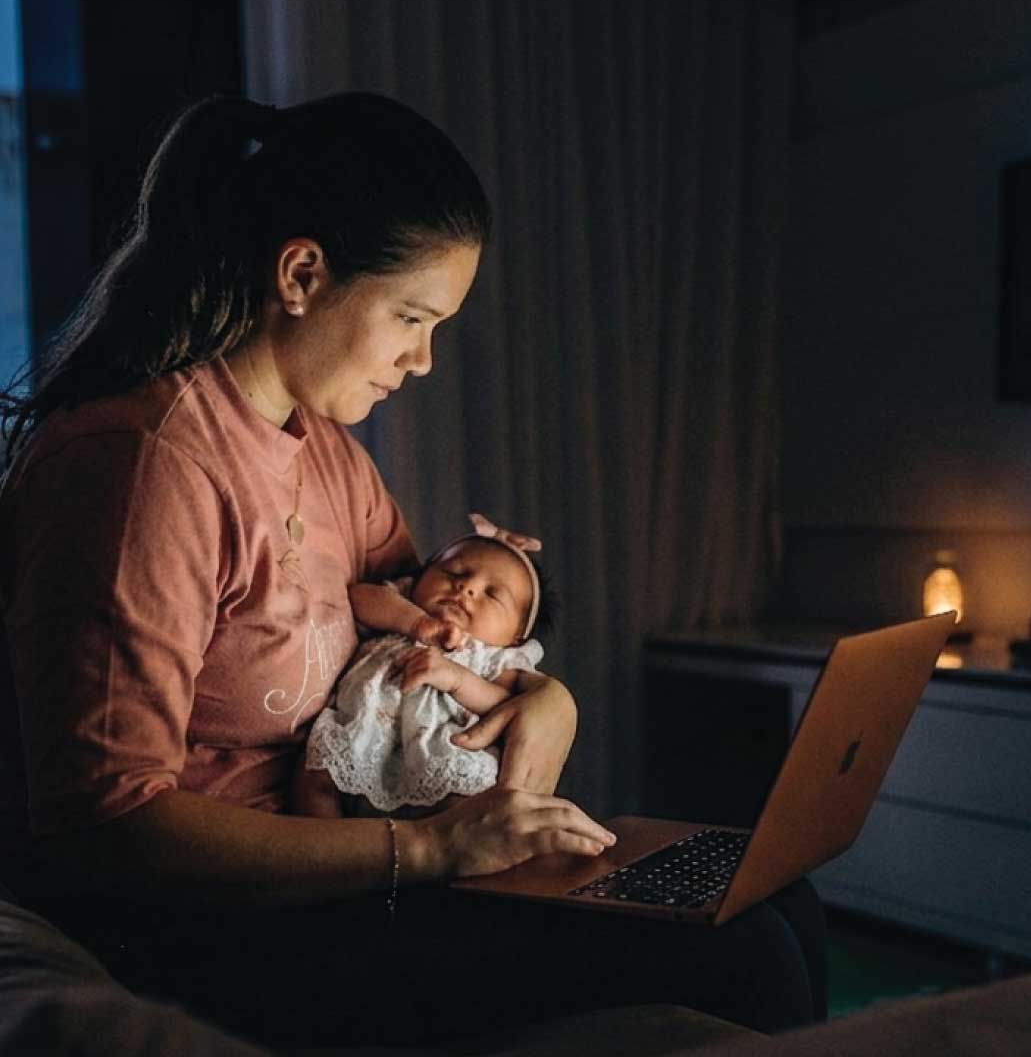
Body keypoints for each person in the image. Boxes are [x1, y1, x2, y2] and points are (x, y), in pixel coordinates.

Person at [0, 92, 826, 1049]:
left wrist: (550, 699)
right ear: (302, 273)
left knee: (776, 900)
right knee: (746, 957)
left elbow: (439, 621)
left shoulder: (324, 449)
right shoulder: (145, 468)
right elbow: (108, 826)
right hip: (218, 922)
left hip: (353, 865)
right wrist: (431, 848)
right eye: (411, 316)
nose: (425, 360)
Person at [295, 525, 552, 817]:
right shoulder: (401, 606)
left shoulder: (496, 656)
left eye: (492, 594)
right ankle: (333, 855)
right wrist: (416, 623)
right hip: (362, 732)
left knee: (466, 805)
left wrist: (457, 679)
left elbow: (503, 702)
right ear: (420, 578)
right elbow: (357, 598)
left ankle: (442, 857)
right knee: (312, 777)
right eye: (454, 573)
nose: (466, 588)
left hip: (441, 749)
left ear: (517, 635)